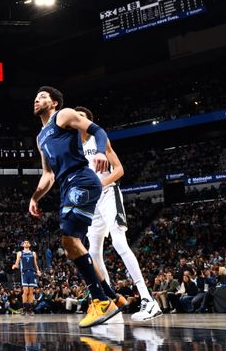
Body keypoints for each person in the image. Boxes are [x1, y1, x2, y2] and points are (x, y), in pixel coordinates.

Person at [29, 87, 119, 328]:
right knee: (74, 246)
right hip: (66, 186)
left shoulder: (63, 115)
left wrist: (100, 151)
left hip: (81, 179)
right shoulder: (40, 138)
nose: (37, 99)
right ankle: (112, 296)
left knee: (70, 241)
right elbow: (48, 174)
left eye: (43, 96)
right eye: (36, 97)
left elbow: (97, 130)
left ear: (55, 103)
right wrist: (35, 197)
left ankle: (101, 301)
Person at [75, 106, 162, 321]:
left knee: (120, 242)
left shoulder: (99, 140)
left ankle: (148, 300)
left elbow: (120, 169)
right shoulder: (74, 148)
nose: (78, 120)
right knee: (92, 255)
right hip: (91, 203)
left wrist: (99, 183)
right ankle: (109, 303)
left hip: (108, 194)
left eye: (82, 117)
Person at [12, 240, 41, 315]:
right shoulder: (20, 253)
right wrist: (14, 266)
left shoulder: (33, 253)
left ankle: (30, 309)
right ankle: (24, 308)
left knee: (31, 291)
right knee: (25, 291)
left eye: (28, 242)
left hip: (32, 273)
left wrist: (38, 270)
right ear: (22, 245)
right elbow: (17, 263)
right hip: (24, 273)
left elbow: (35, 263)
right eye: (25, 242)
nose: (26, 243)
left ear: (30, 245)